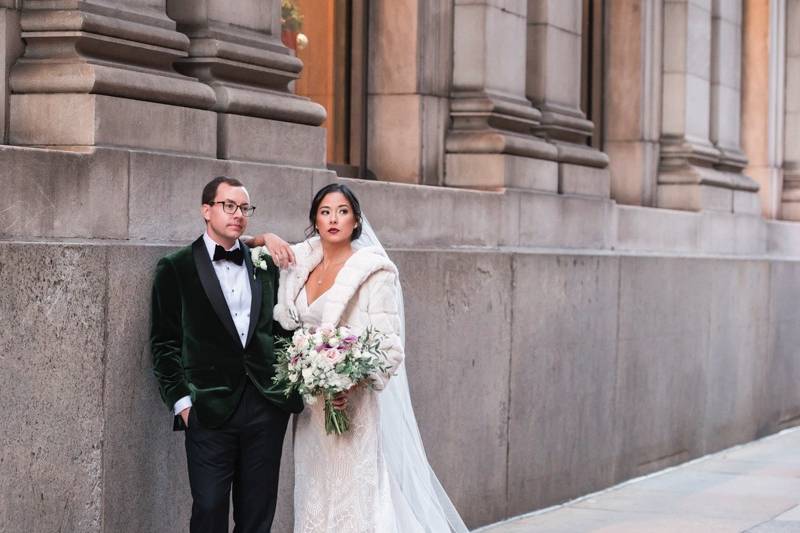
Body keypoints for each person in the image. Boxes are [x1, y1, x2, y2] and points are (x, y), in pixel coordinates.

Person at [266, 183, 468, 532]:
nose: (334, 219)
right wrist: (266, 237)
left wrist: (350, 380)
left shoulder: (374, 271)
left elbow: (389, 347)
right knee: (314, 496)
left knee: (355, 500)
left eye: (343, 211)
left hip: (353, 407)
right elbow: (251, 245)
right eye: (325, 211)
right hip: (312, 410)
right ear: (315, 219)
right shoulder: (301, 263)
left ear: (356, 221)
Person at [150, 175, 299, 533]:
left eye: (244, 208)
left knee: (257, 514)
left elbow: (279, 331)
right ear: (206, 210)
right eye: (228, 205)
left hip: (265, 407)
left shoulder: (262, 264)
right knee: (209, 509)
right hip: (209, 410)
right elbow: (164, 344)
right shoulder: (176, 267)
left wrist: (283, 388)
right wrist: (184, 405)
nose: (238, 214)